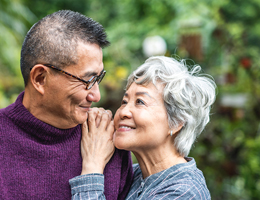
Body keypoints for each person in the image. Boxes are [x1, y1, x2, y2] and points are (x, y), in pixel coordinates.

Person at [0, 10, 133, 200]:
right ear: (40, 78)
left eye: (99, 78)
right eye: (87, 80)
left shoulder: (105, 138)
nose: (97, 95)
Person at [70, 56, 216, 199]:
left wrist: (92, 167)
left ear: (176, 122)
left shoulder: (184, 192)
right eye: (124, 101)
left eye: (140, 102)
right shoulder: (133, 176)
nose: (124, 112)